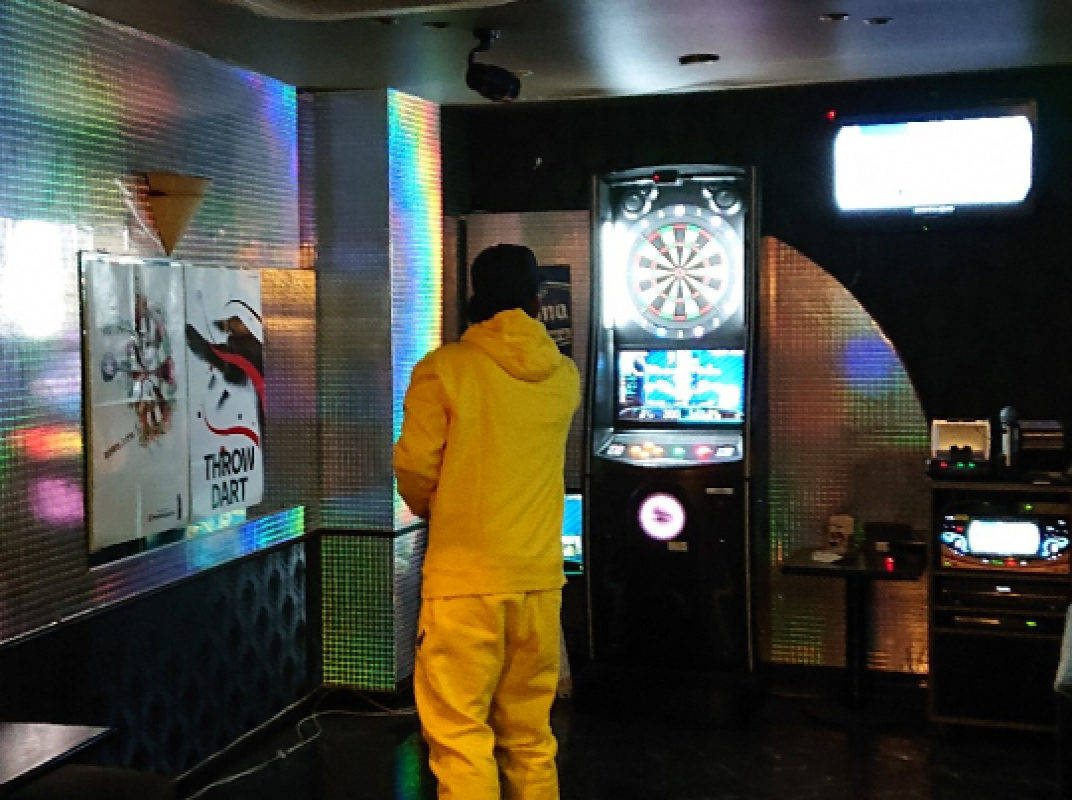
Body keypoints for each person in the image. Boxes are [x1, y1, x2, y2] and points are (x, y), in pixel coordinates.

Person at [394, 243, 580, 800]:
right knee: (530, 736)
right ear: (537, 300)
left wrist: (438, 507)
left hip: (464, 583)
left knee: (459, 734)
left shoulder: (444, 370)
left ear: (474, 297)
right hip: (539, 582)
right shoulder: (563, 376)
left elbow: (415, 468)